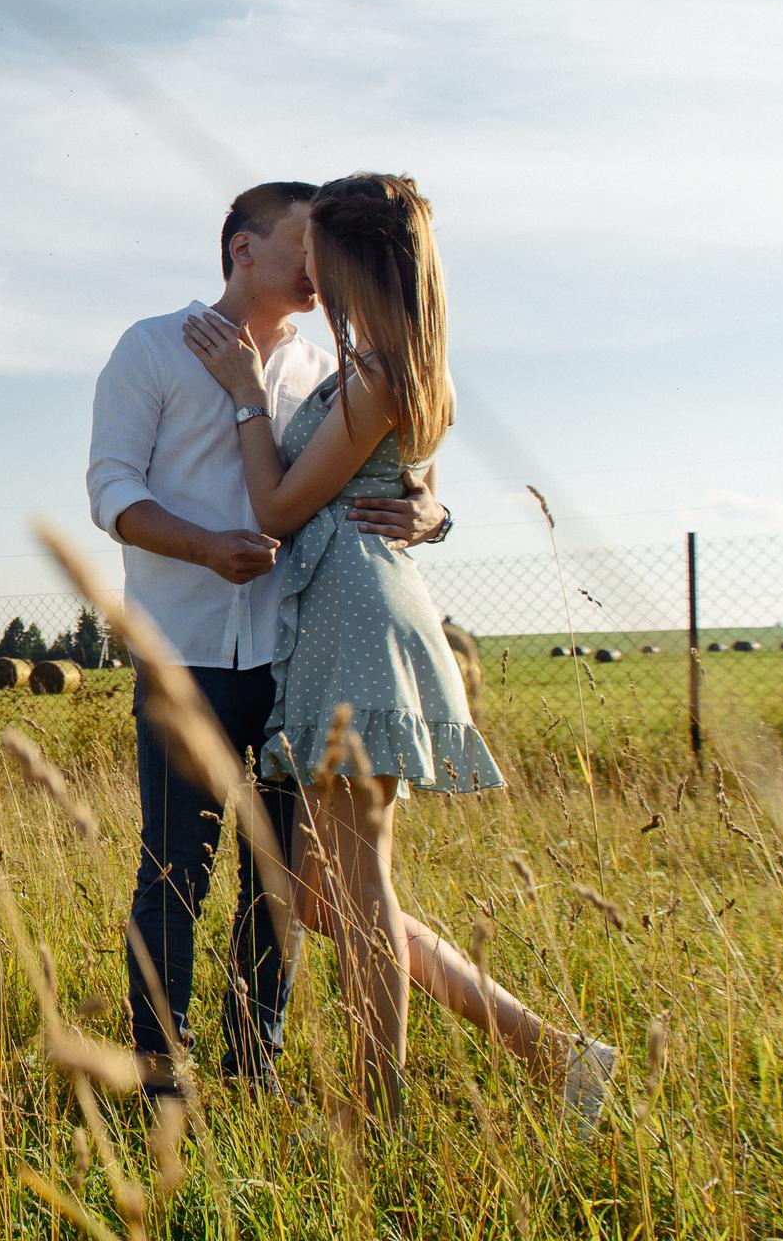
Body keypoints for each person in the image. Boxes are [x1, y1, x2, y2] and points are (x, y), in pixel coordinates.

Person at [182, 172, 616, 1122]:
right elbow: (399, 493)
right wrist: (436, 512)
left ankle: (378, 1106)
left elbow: (279, 508)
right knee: (318, 892)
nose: (311, 272)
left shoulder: (375, 372)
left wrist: (250, 397)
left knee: (358, 882)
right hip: (357, 612)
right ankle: (554, 1053)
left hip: (355, 621)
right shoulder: (399, 366)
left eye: (322, 257)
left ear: (358, 264)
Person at [88, 181, 448, 1098]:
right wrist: (206, 546)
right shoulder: (151, 347)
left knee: (278, 883)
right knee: (174, 869)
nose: (315, 266)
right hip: (188, 647)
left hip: (299, 650)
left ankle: (255, 1070)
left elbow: (389, 465)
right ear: (243, 248)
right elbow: (110, 493)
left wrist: (433, 514)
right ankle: (161, 1074)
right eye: (300, 245)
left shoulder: (327, 362)